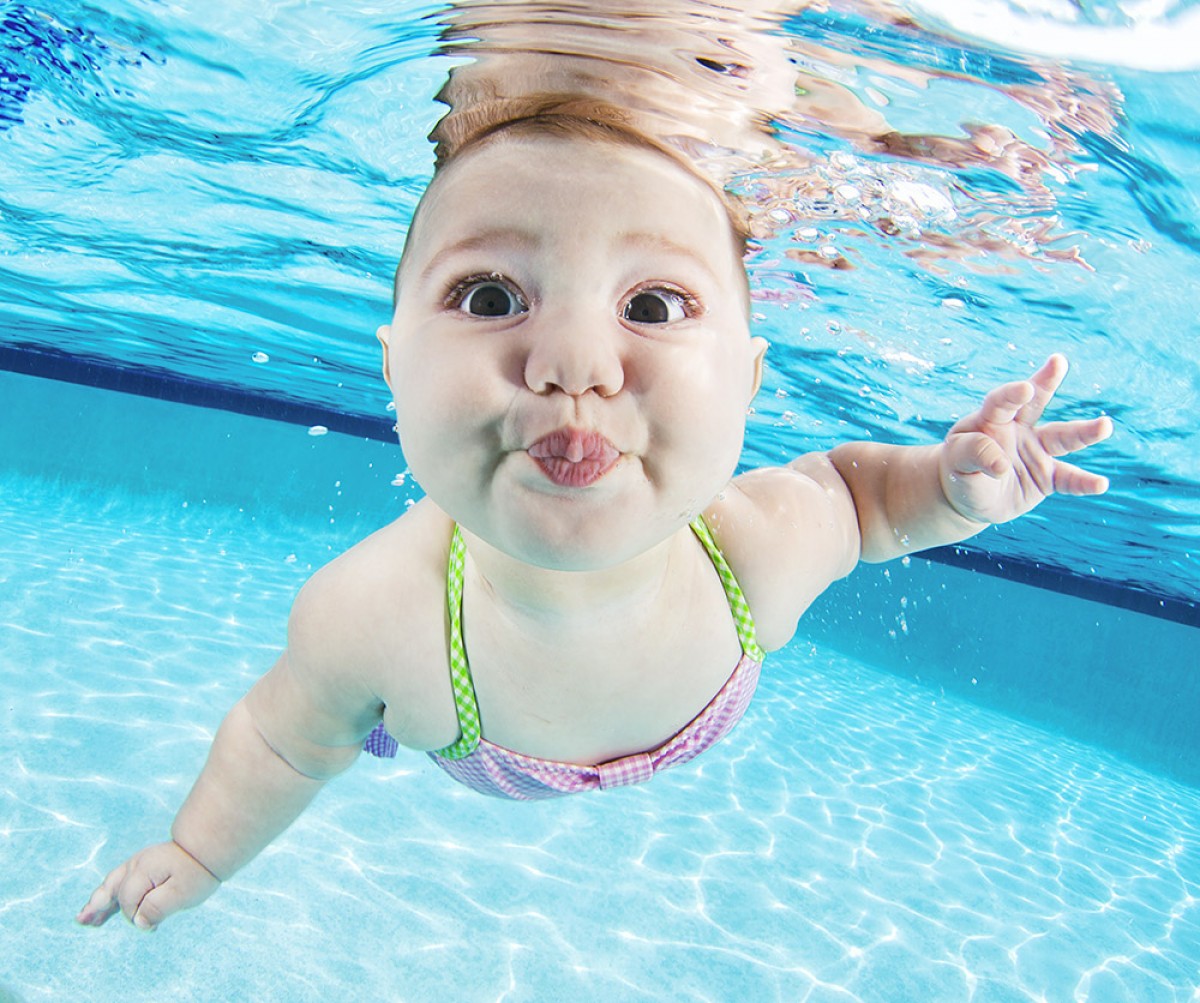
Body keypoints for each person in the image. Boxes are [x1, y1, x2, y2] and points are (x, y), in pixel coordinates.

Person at [76, 110, 1112, 932]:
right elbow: (281, 745)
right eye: (489, 297)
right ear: (393, 365)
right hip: (480, 744)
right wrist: (200, 852)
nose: (574, 363)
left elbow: (869, 502)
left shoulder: (752, 548)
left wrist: (953, 485)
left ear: (750, 382)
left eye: (653, 307)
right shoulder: (373, 617)